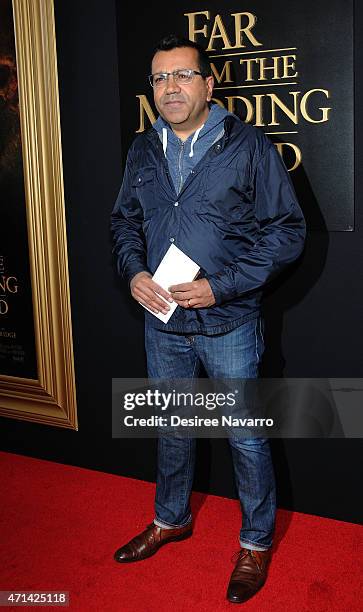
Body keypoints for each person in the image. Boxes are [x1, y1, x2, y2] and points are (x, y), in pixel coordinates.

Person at [110, 34, 306, 604]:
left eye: (182, 76)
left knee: (246, 439)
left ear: (208, 84)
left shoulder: (248, 146)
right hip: (161, 322)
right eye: (160, 79)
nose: (170, 87)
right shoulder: (143, 149)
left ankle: (255, 541)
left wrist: (219, 287)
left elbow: (287, 231)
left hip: (230, 324)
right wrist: (133, 271)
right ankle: (171, 519)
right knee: (171, 430)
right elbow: (124, 222)